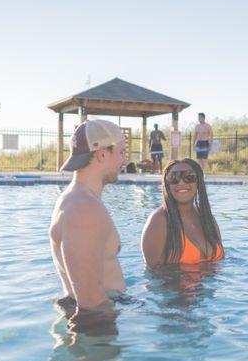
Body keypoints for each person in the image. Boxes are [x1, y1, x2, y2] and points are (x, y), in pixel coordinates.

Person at [49, 119, 127, 314]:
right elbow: (90, 300)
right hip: (96, 330)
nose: (124, 161)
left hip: (97, 319)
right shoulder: (84, 209)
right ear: (102, 154)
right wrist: (105, 343)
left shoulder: (77, 200)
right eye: (121, 152)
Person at [141, 158, 224, 265]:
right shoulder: (158, 221)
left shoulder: (207, 218)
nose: (181, 183)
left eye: (189, 177)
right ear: (167, 184)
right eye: (173, 178)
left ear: (198, 182)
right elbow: (153, 274)